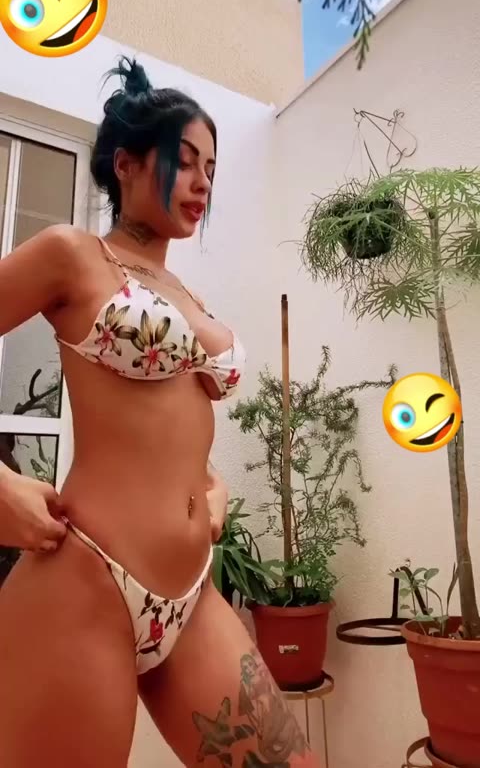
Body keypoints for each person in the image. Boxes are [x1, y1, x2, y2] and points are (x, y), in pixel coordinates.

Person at [0, 57, 317, 768]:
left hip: (192, 595)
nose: (203, 181)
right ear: (128, 165)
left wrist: (209, 483)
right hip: (87, 582)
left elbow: (165, 423)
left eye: (213, 168)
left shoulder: (185, 294)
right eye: (186, 160)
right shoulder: (72, 256)